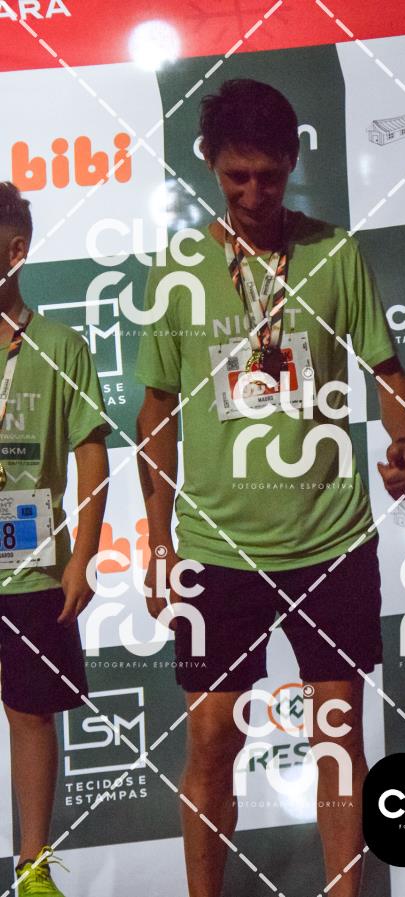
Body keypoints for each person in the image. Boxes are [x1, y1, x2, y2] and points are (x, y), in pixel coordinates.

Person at [135, 79, 405, 897]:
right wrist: (158, 540)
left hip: (332, 536)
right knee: (211, 739)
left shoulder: (335, 254)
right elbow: (156, 410)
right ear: (210, 166)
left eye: (269, 175)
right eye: (237, 176)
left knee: (338, 737)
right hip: (218, 547)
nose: (255, 193)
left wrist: (402, 440)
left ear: (294, 162)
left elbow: (390, 373)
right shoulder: (178, 269)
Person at [0, 183, 110, 897]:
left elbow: (92, 454)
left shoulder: (63, 345)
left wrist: (84, 556)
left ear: (15, 252)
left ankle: (33, 868)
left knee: (31, 713)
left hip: (33, 565)